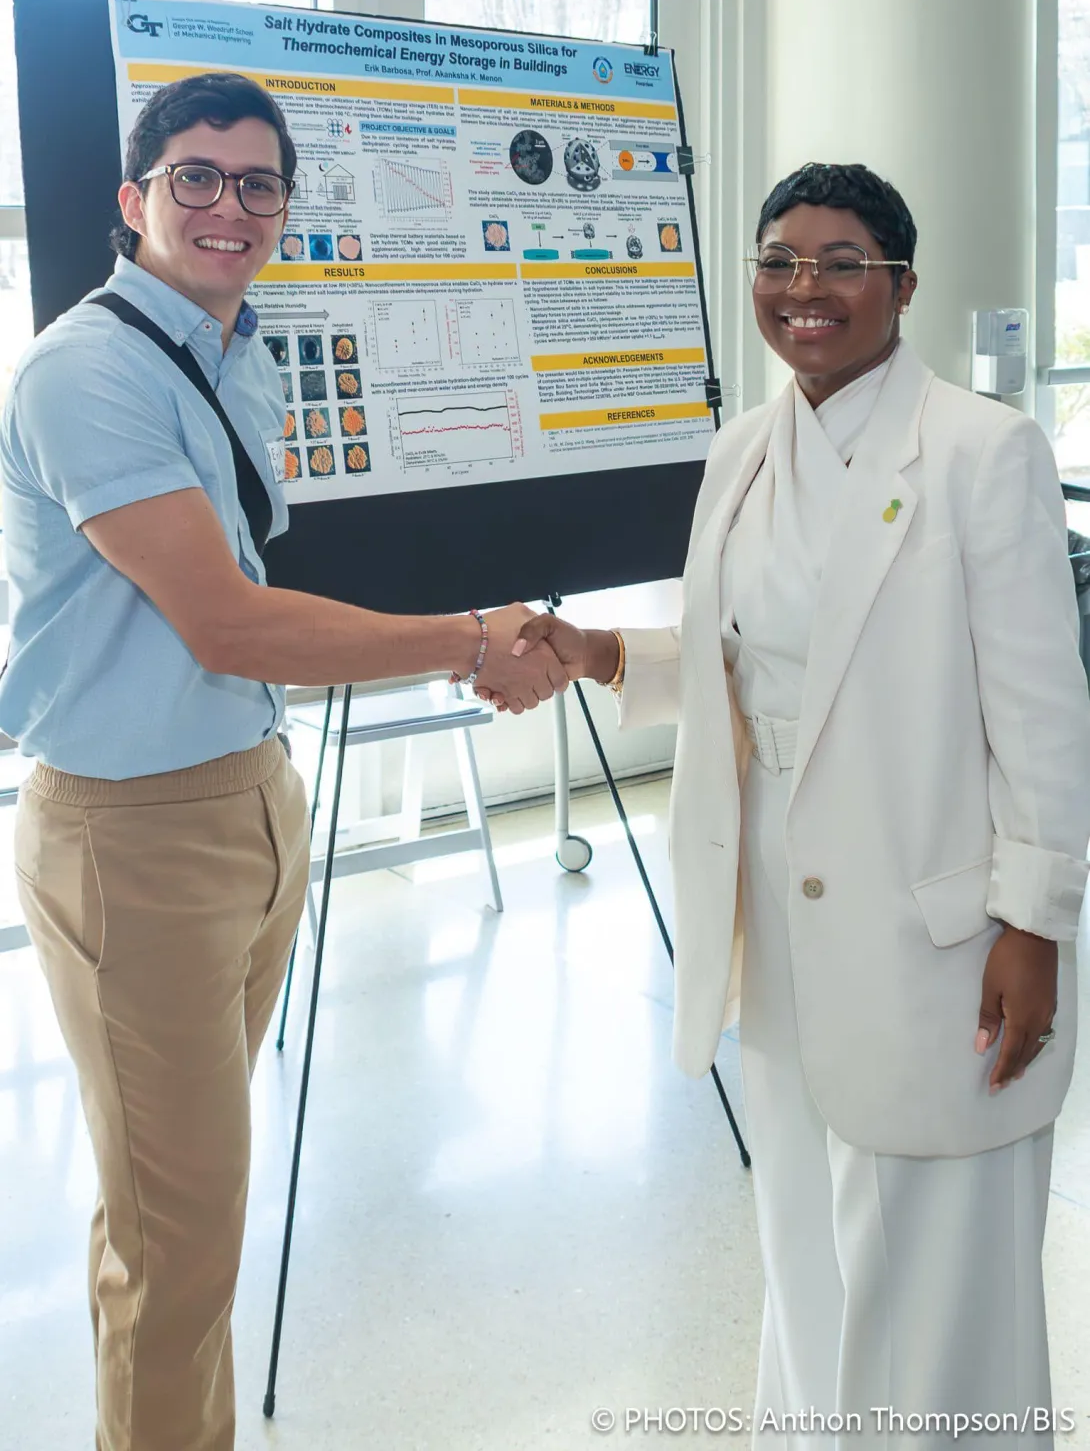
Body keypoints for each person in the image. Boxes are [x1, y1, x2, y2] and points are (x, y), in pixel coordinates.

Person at [0, 73, 563, 1451]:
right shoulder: (86, 370)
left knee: (183, 1204)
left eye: (258, 184)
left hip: (250, 793)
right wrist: (474, 633)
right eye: (196, 177)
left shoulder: (226, 344)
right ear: (133, 203)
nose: (230, 207)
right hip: (134, 833)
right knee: (176, 1240)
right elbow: (228, 614)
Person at [499, 164, 1090, 1446]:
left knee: (938, 1250)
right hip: (769, 894)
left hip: (936, 914)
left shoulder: (982, 453)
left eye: (839, 262)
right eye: (777, 261)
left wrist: (1035, 924)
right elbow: (743, 666)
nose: (802, 288)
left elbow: (1044, 714)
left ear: (901, 286)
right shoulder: (742, 449)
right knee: (807, 1239)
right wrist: (601, 652)